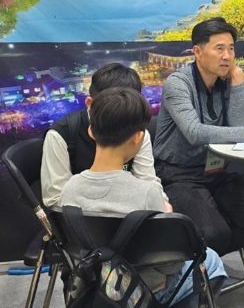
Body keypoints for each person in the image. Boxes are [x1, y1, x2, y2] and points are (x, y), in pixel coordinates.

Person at [60, 87, 227, 306]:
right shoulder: (146, 192)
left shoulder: (70, 188)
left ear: (91, 131)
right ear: (139, 137)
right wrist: (167, 212)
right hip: (142, 291)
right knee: (212, 260)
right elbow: (170, 264)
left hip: (95, 288)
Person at [153, 17, 244, 255]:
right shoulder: (178, 83)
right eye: (219, 48)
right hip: (179, 173)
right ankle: (209, 268)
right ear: (197, 51)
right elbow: (194, 132)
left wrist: (237, 82)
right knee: (215, 234)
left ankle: (241, 264)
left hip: (217, 169)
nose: (227, 56)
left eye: (231, 49)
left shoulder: (225, 81)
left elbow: (238, 124)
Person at [41, 63, 168, 210]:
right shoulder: (61, 135)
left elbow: (148, 180)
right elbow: (56, 199)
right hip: (81, 219)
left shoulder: (136, 131)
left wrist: (161, 206)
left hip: (132, 214)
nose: (118, 116)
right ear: (90, 104)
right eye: (111, 106)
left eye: (129, 107)